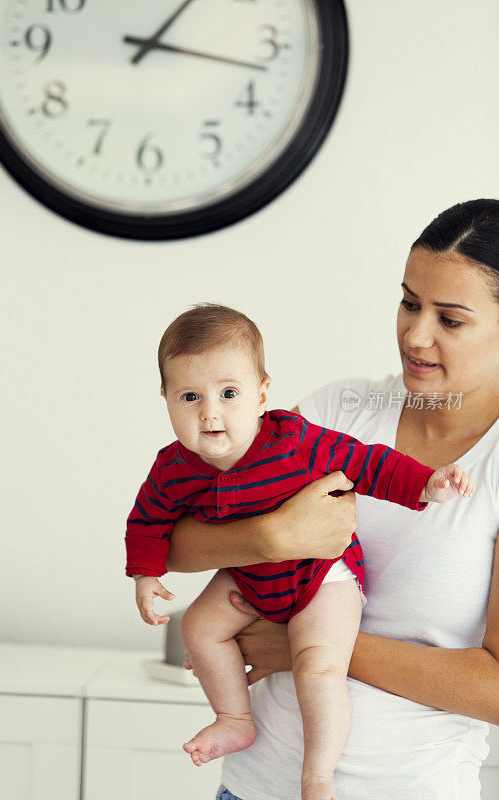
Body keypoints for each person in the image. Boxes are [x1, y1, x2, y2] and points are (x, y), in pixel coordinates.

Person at [173, 199, 499, 800]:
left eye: (449, 320)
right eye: (408, 302)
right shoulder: (336, 412)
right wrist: (269, 539)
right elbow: (177, 534)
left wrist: (309, 646)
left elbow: (495, 689)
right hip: (253, 786)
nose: (415, 334)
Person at [125, 305, 474, 800]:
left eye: (229, 394)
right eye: (189, 397)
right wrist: (144, 574)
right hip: (250, 578)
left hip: (322, 577)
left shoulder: (294, 440)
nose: (210, 413)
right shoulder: (173, 467)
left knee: (317, 664)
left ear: (261, 394)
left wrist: (426, 485)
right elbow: (147, 520)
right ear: (165, 401)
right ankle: (234, 717)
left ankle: (318, 775)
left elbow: (368, 461)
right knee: (198, 629)